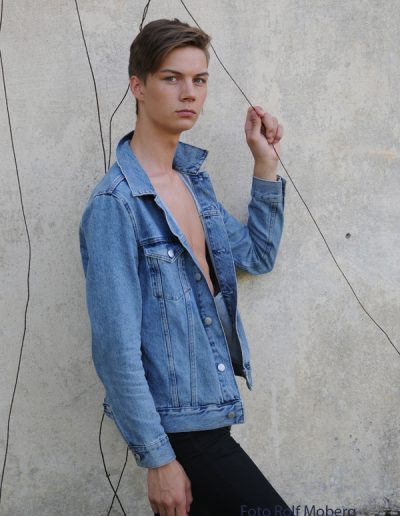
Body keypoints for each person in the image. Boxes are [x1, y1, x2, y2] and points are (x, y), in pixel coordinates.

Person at [79, 17, 292, 516]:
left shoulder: (193, 183)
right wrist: (158, 458)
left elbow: (257, 256)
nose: (189, 93)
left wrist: (264, 164)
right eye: (171, 78)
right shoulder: (116, 204)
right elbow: (115, 349)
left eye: (199, 79)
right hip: (181, 434)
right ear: (138, 86)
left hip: (213, 413)